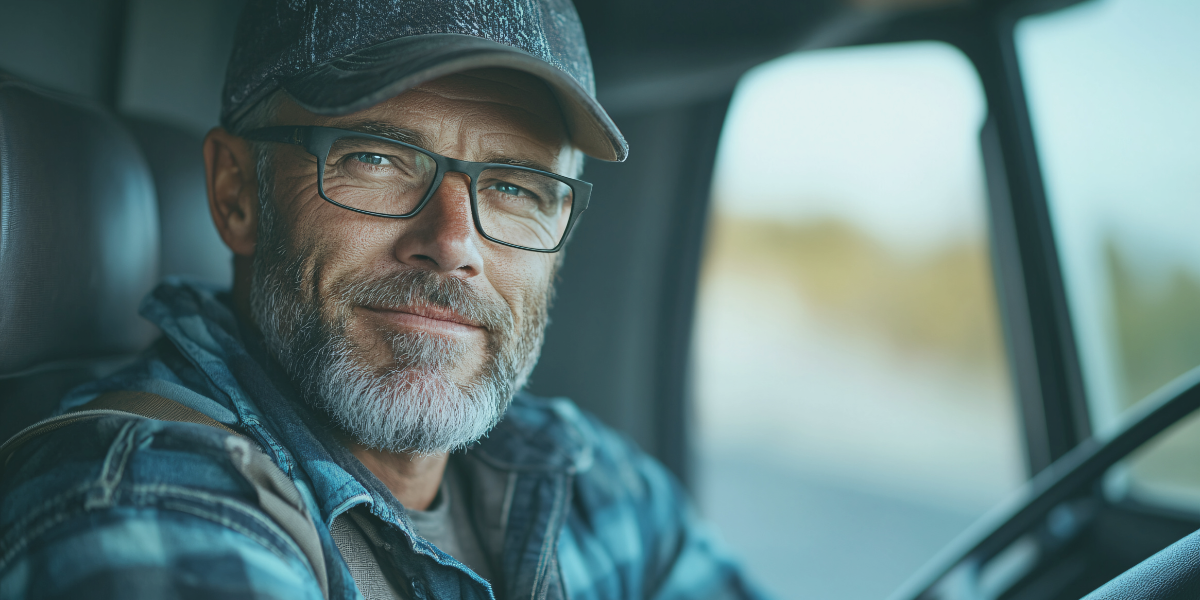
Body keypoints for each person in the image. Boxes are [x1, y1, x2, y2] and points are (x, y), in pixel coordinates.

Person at [0, 1, 763, 598]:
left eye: (515, 187)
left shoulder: (588, 482)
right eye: (378, 157)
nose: (455, 243)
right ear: (238, 194)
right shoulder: (145, 502)